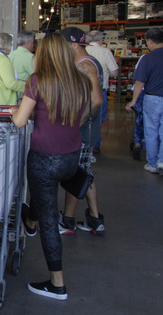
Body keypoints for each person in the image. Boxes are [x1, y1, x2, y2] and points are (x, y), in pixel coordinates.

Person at [10, 32, 95, 301]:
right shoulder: (81, 80)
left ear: (44, 54)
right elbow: (85, 113)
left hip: (44, 159)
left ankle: (57, 284)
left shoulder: (38, 81)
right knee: (43, 201)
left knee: (48, 216)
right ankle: (30, 222)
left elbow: (20, 121)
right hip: (71, 157)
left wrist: (14, 111)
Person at [59, 27, 105, 236]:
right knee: (85, 173)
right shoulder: (84, 63)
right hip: (87, 131)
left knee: (76, 174)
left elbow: (96, 100)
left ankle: (68, 221)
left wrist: (77, 123)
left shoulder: (85, 66)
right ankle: (95, 220)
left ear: (74, 44)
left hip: (83, 133)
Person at [126, 28, 163, 178]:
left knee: (151, 132)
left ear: (149, 41)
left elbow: (139, 83)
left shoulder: (147, 58)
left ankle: (152, 163)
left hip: (152, 99)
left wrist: (133, 101)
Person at [85, 30, 118, 149]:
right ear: (101, 40)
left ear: (88, 39)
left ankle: (84, 145)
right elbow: (114, 72)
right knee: (97, 120)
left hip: (83, 91)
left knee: (82, 119)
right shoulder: (106, 52)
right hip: (100, 91)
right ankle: (95, 144)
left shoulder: (83, 51)